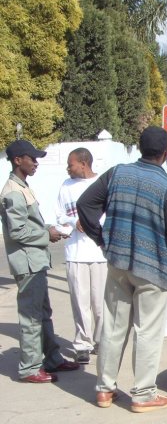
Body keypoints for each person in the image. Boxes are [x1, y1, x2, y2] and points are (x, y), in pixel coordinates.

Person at [77, 126, 167, 413]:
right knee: (148, 331)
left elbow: (85, 204)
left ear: (140, 149)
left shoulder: (116, 174)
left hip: (117, 264)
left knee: (114, 327)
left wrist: (101, 237)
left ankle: (104, 389)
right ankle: (142, 394)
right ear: (166, 153)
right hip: (153, 269)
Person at [0, 140, 80, 382]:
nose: (36, 163)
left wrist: (48, 230)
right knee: (31, 316)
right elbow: (18, 232)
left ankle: (52, 359)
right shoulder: (13, 191)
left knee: (43, 312)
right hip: (27, 264)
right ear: (17, 160)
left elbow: (29, 224)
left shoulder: (22, 186)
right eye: (31, 158)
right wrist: (47, 234)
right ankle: (30, 368)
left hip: (35, 260)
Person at [55, 148, 107, 364]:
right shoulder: (66, 187)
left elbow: (110, 214)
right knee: (80, 302)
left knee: (100, 303)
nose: (68, 168)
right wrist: (71, 224)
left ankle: (102, 341)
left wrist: (92, 223)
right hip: (75, 253)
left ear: (84, 164)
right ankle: (82, 344)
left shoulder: (101, 185)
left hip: (99, 253)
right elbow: (58, 215)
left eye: (71, 164)